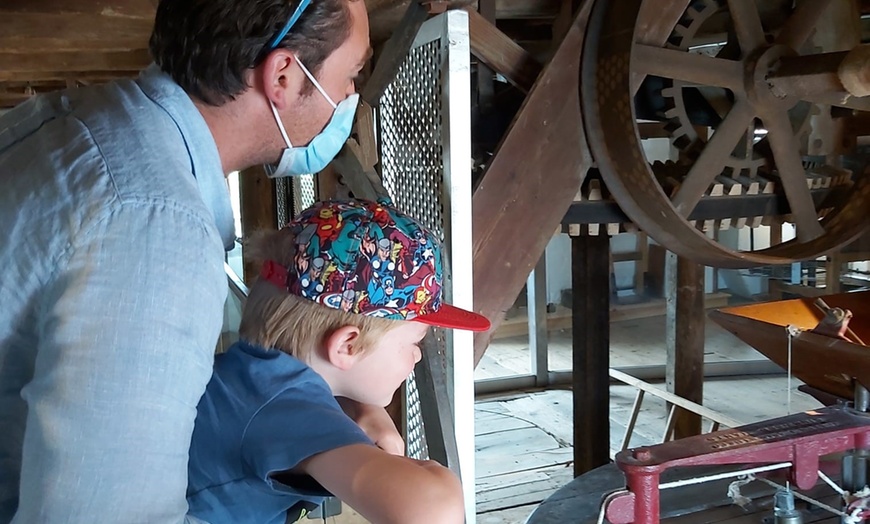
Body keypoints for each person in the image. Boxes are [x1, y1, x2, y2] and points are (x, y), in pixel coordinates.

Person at [0, 0, 375, 521]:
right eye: (352, 75)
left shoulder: (76, 122)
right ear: (284, 76)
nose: (351, 97)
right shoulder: (155, 227)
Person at [186, 198, 491, 524]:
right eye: (413, 343)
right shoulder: (286, 408)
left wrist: (365, 410)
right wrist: (436, 476)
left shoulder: (247, 377)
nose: (417, 356)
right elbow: (430, 510)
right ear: (347, 345)